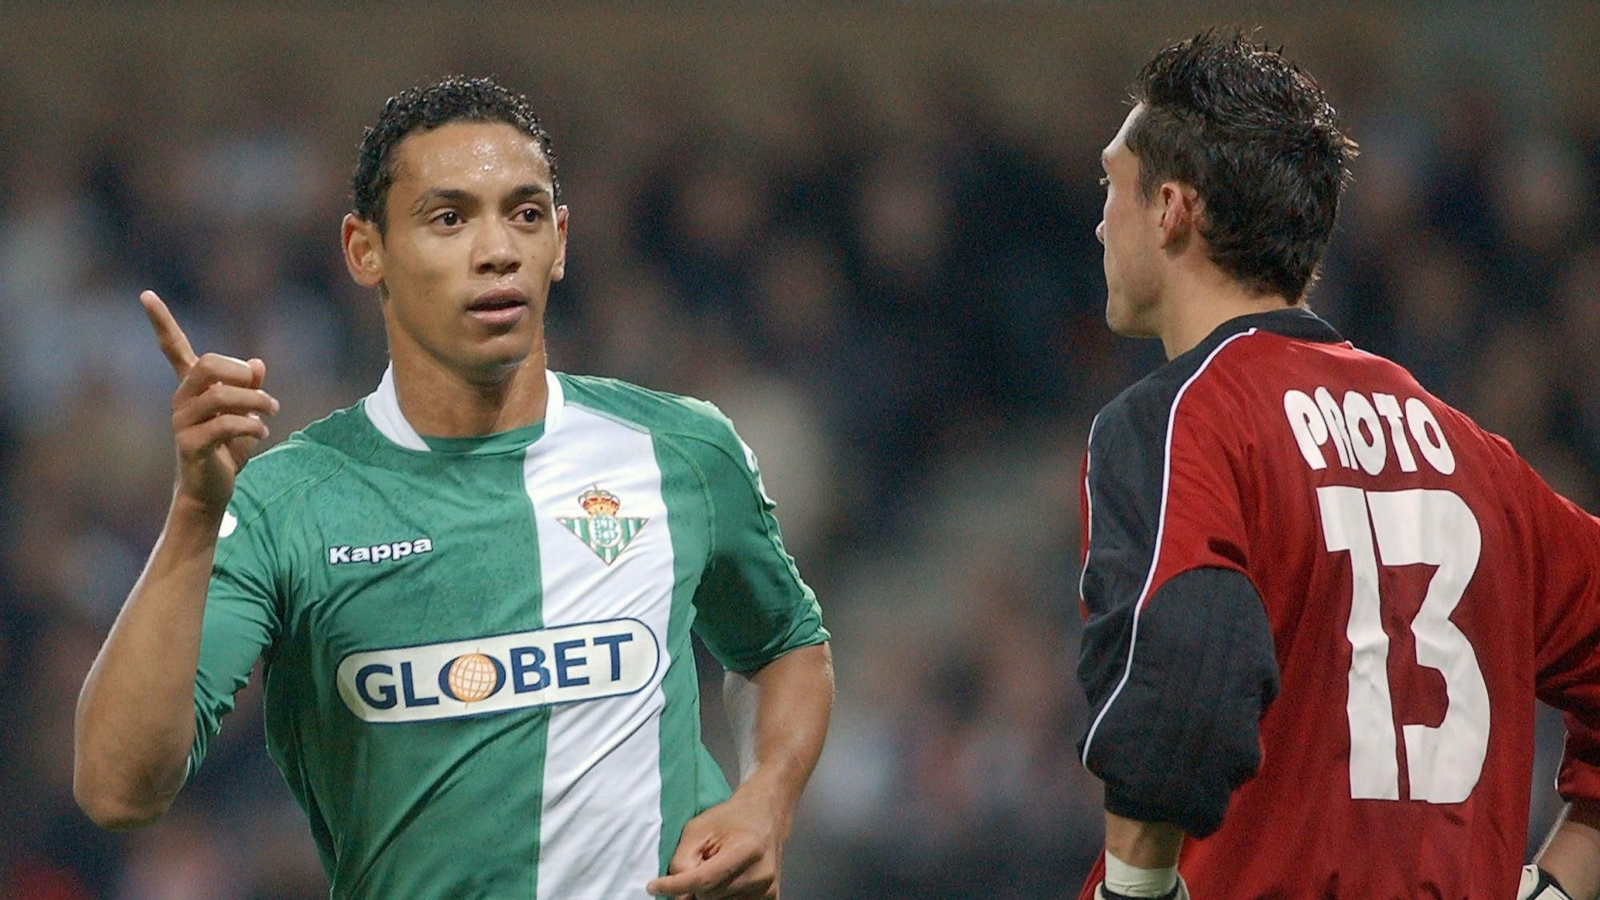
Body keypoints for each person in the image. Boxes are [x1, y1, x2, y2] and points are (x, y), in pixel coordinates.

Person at [72, 75, 833, 900]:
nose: (498, 248)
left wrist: (767, 799)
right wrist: (194, 514)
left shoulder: (681, 453)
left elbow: (784, 645)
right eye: (449, 218)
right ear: (366, 250)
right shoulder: (286, 504)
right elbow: (119, 790)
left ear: (563, 241)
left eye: (526, 212)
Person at [1074, 30, 1600, 900]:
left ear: (1171, 207)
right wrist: (1556, 888)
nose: (1100, 219)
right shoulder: (1474, 458)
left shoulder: (1183, 422)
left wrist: (1133, 892)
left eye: (1111, 184)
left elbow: (1176, 689)